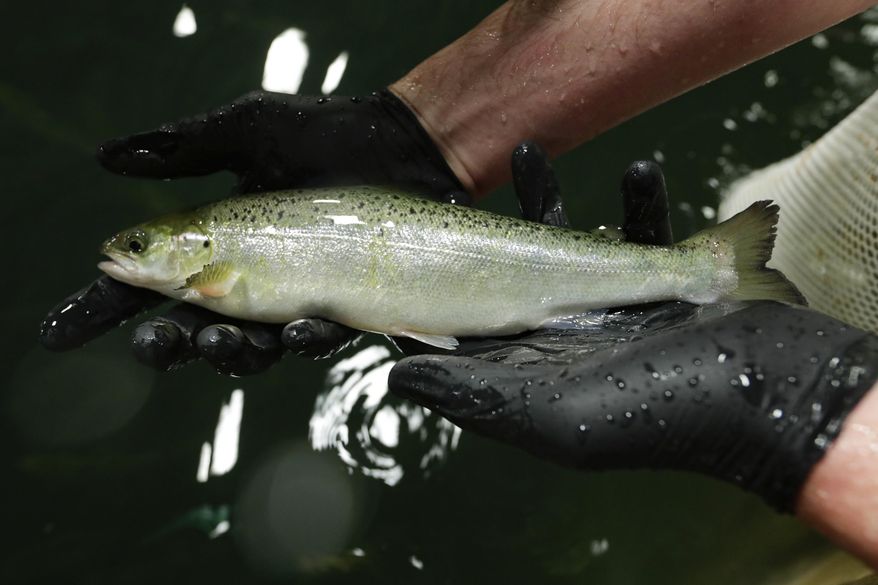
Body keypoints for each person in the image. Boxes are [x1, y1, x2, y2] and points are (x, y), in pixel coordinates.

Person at [39, 0, 878, 570]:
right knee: (810, 259)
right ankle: (710, 277)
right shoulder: (209, 268)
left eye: (143, 245)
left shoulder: (214, 270)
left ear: (191, 252)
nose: (131, 252)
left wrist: (802, 413)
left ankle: (714, 283)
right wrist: (435, 125)